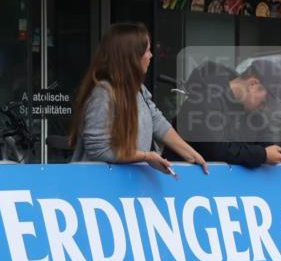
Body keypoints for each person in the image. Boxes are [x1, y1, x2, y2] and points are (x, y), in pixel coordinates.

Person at [71, 22, 208, 176]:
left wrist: (192, 154)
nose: (151, 55)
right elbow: (99, 149)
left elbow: (159, 124)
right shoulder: (103, 92)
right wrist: (146, 156)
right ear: (132, 56)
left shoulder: (139, 90)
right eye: (147, 50)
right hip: (98, 190)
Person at [169, 58, 281, 168]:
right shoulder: (204, 99)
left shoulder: (254, 114)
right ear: (253, 84)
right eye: (264, 102)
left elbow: (267, 144)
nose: (264, 107)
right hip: (182, 184)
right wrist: (262, 155)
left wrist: (277, 147)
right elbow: (216, 150)